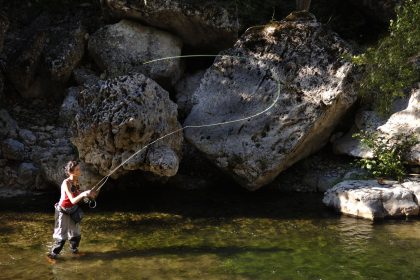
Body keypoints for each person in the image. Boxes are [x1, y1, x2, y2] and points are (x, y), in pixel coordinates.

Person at [47, 160, 96, 260]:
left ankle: (74, 252)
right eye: (77, 169)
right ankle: (52, 256)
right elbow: (73, 200)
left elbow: (77, 194)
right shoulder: (66, 183)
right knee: (61, 237)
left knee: (76, 235)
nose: (79, 171)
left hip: (72, 210)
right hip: (62, 211)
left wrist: (87, 195)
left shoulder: (76, 181)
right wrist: (83, 194)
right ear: (71, 172)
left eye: (79, 169)